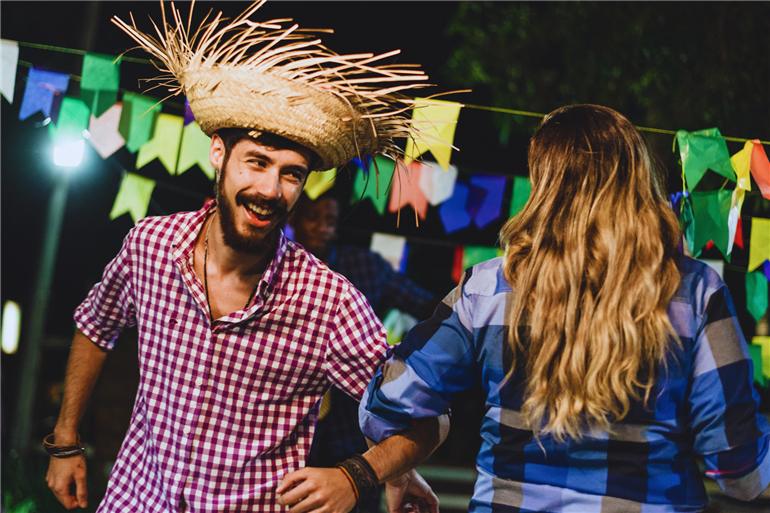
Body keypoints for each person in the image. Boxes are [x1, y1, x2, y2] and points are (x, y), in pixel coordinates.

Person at [44, 2, 444, 512]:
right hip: (136, 499)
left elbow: (427, 418)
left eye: (291, 173)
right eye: (256, 162)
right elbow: (95, 325)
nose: (270, 189)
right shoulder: (150, 245)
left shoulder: (327, 302)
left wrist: (358, 475)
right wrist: (66, 440)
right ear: (219, 154)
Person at [288, 104, 770, 512]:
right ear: (636, 181)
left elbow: (388, 403)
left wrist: (398, 468)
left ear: (543, 183)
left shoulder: (490, 288)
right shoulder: (693, 292)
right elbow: (740, 470)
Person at [290, 193, 438, 511]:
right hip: (293, 428)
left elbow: (429, 308)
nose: (322, 228)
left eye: (330, 221)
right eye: (313, 218)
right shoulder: (275, 272)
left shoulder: (363, 267)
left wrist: (413, 359)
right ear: (294, 220)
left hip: (352, 423)